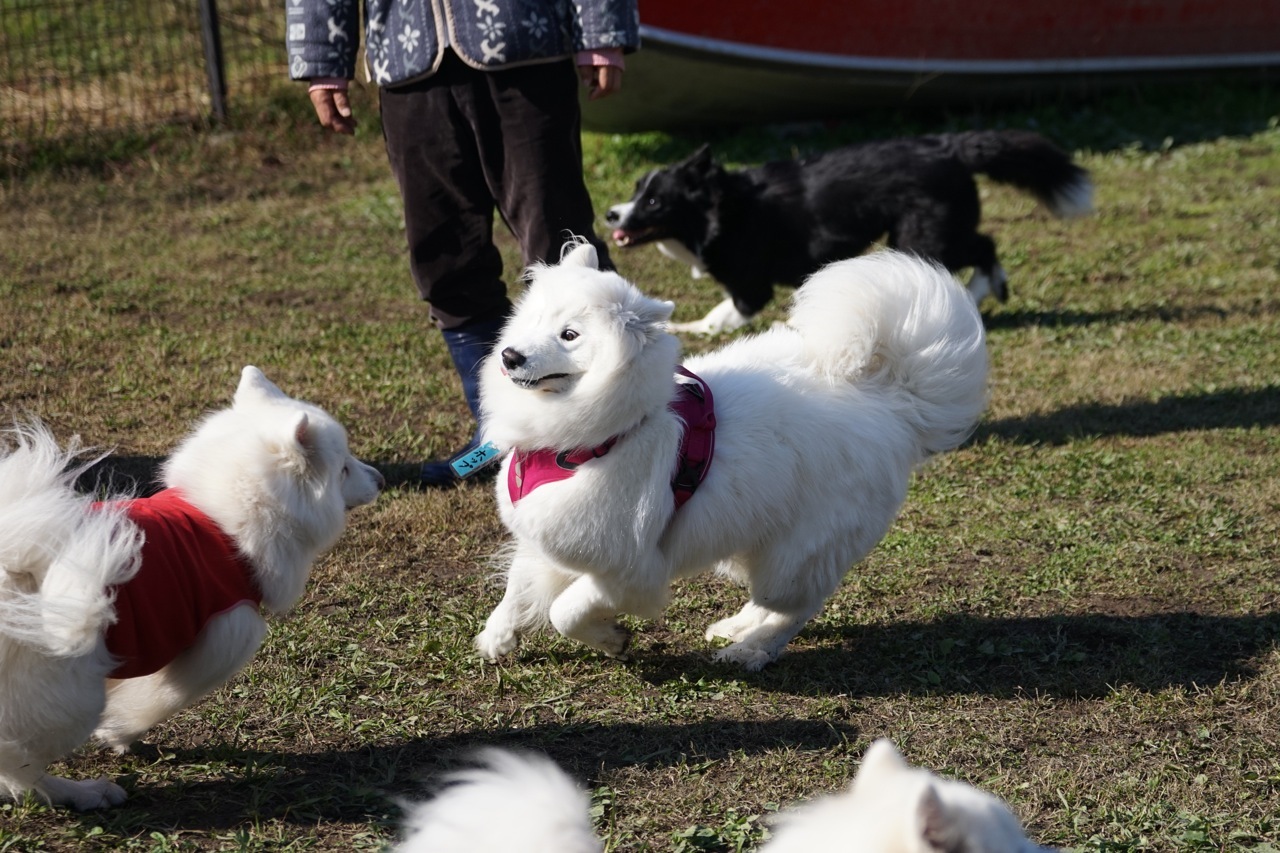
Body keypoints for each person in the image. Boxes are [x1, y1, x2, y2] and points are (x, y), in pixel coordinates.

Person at [286, 0, 639, 486]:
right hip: (408, 63)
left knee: (563, 248)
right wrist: (324, 60)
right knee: (444, 257)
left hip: (525, 46)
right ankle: (498, 437)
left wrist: (601, 27)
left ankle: (621, 422)